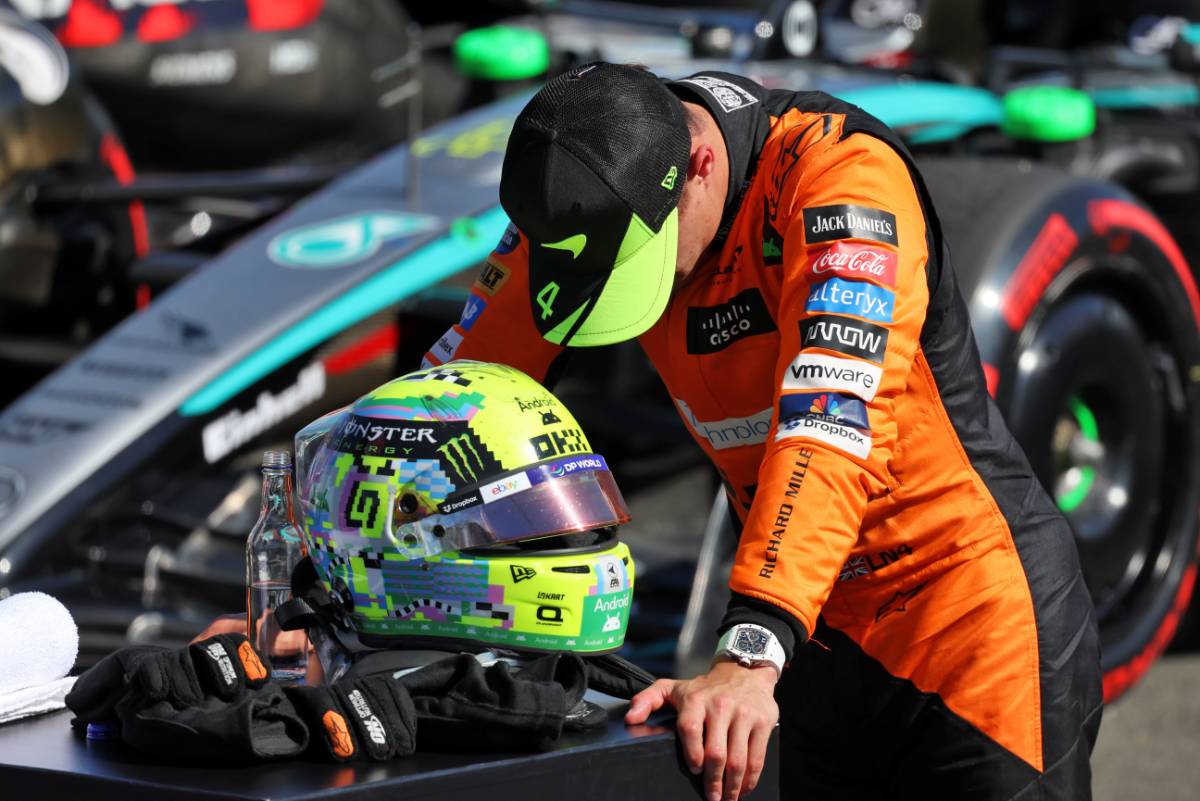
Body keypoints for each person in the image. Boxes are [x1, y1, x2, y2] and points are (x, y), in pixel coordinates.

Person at [421, 62, 1103, 800]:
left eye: (639, 264)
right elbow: (446, 395)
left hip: (964, 624)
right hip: (811, 637)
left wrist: (749, 652)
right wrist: (308, 555)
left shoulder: (842, 179)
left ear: (701, 166)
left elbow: (828, 424)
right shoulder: (593, 184)